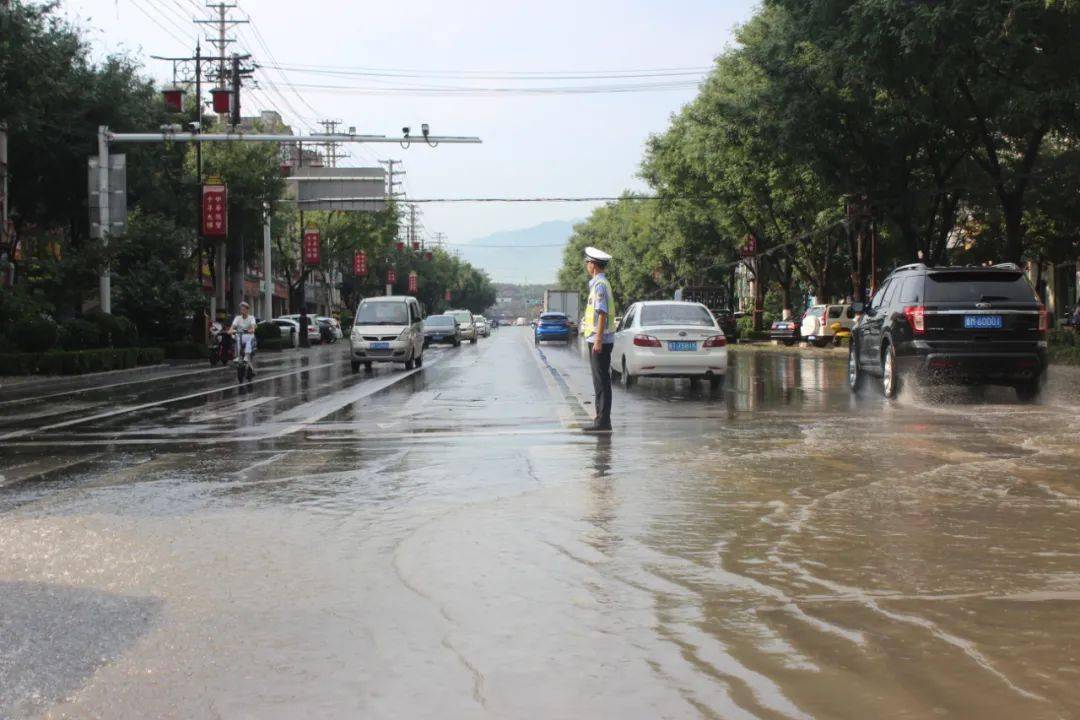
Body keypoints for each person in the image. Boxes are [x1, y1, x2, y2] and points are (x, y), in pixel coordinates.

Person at [581, 246, 615, 433]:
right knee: (600, 381)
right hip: (598, 338)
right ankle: (600, 419)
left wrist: (599, 340)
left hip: (599, 339)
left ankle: (603, 422)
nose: (587, 266)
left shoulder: (600, 286)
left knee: (601, 381)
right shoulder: (599, 284)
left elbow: (602, 313)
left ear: (593, 265)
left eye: (588, 263)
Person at [229, 301, 257, 377]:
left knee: (248, 338)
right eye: (241, 310)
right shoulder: (237, 318)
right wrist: (230, 330)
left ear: (247, 310)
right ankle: (237, 356)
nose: (243, 311)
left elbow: (253, 326)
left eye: (244, 309)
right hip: (240, 336)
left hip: (249, 336)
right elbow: (233, 326)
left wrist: (251, 329)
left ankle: (246, 356)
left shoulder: (251, 318)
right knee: (236, 338)